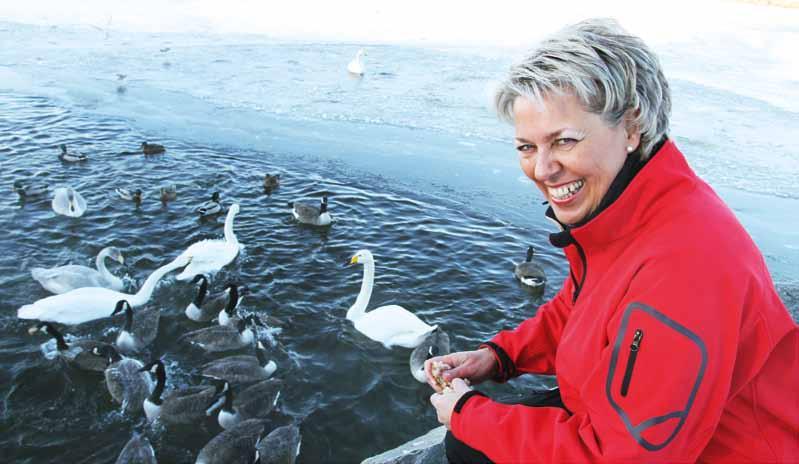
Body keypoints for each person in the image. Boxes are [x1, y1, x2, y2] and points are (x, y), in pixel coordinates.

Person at [425, 18, 798, 463]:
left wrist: (468, 411)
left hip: (727, 453)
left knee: (470, 442)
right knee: (469, 445)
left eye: (563, 141)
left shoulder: (684, 265)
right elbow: (580, 307)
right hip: (623, 427)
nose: (542, 170)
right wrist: (499, 357)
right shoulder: (633, 212)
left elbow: (625, 457)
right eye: (526, 147)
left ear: (631, 127)